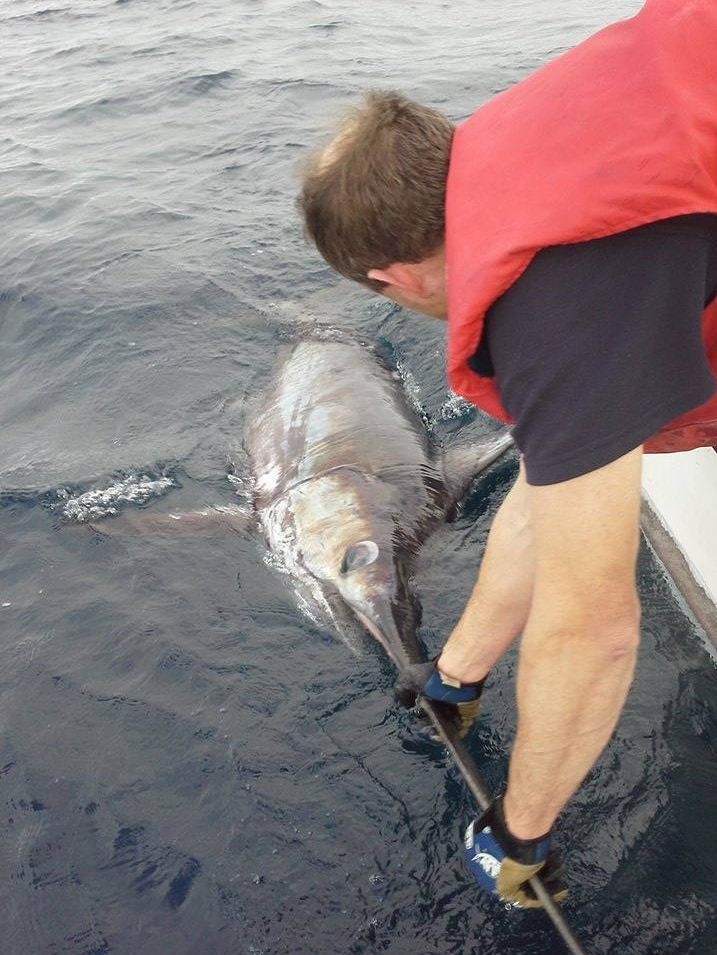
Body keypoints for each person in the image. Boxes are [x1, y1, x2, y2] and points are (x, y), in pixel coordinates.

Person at [297, 0, 717, 909]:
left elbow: (596, 630)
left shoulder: (552, 308)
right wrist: (455, 674)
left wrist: (516, 829)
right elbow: (548, 485)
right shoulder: (530, 142)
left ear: (390, 278)